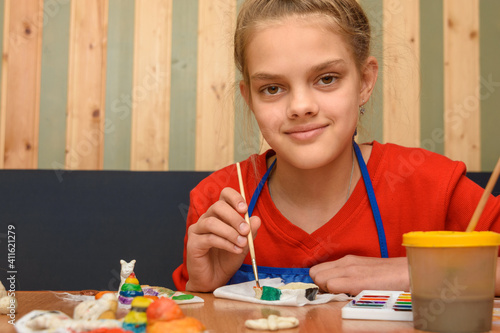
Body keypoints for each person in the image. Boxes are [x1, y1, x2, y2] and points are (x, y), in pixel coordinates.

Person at [172, 0, 500, 295]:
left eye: (326, 78)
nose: (300, 106)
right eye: (272, 88)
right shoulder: (218, 200)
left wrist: (413, 272)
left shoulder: (433, 186)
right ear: (250, 100)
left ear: (365, 82)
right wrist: (202, 288)